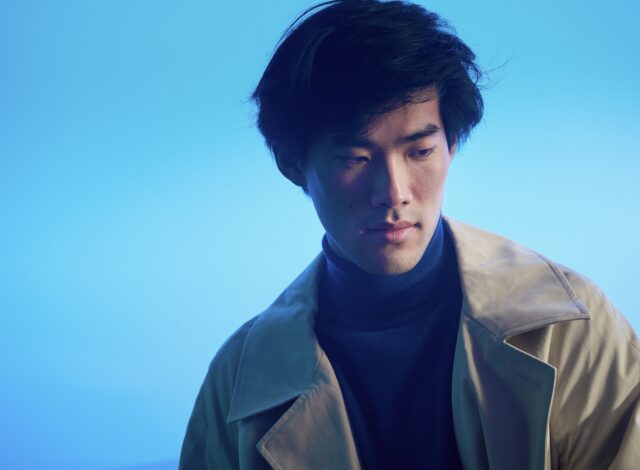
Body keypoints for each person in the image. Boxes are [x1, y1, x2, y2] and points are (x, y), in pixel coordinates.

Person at [179, 1, 640, 468]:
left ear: (451, 145)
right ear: (292, 163)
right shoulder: (238, 379)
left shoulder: (569, 328)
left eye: (419, 151)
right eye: (355, 158)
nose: (393, 193)